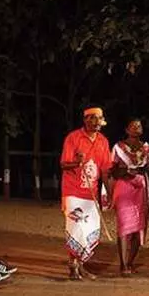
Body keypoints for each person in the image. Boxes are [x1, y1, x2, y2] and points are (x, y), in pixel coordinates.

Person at [60, 106, 112, 280]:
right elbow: (63, 164)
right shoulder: (73, 138)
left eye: (100, 118)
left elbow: (105, 171)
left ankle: (80, 265)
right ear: (86, 120)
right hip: (73, 192)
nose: (98, 122)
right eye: (94, 118)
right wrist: (76, 162)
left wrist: (110, 193)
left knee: (90, 228)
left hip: (91, 194)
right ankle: (73, 266)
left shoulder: (103, 141)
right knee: (76, 227)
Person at [109, 117, 149, 276]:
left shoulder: (147, 148)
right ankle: (123, 265)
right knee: (124, 226)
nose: (137, 127)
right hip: (124, 187)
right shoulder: (119, 147)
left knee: (139, 228)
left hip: (141, 188)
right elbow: (112, 170)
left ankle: (130, 262)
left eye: (139, 125)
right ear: (127, 130)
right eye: (133, 125)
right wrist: (126, 171)